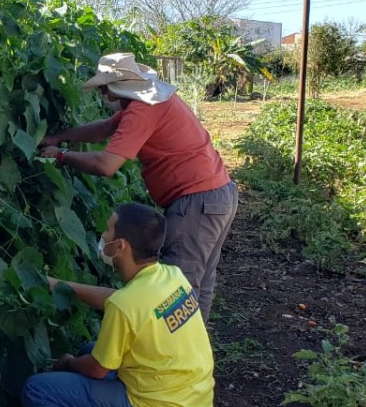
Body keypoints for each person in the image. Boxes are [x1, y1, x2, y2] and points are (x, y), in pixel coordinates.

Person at [22, 203, 214, 407]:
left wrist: (69, 363)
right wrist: (60, 286)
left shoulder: (126, 306)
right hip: (190, 403)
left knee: (37, 391)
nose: (103, 236)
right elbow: (119, 299)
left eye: (107, 231)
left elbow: (97, 370)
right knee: (90, 349)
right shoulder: (171, 276)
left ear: (120, 246)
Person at [38, 53, 237, 322]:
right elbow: (104, 128)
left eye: (104, 88)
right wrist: (59, 137)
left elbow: (106, 164)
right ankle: (193, 346)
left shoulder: (143, 109)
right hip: (217, 195)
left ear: (115, 87)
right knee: (197, 286)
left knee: (176, 292)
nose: (103, 94)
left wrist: (61, 155)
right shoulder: (151, 100)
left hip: (196, 201)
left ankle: (169, 348)